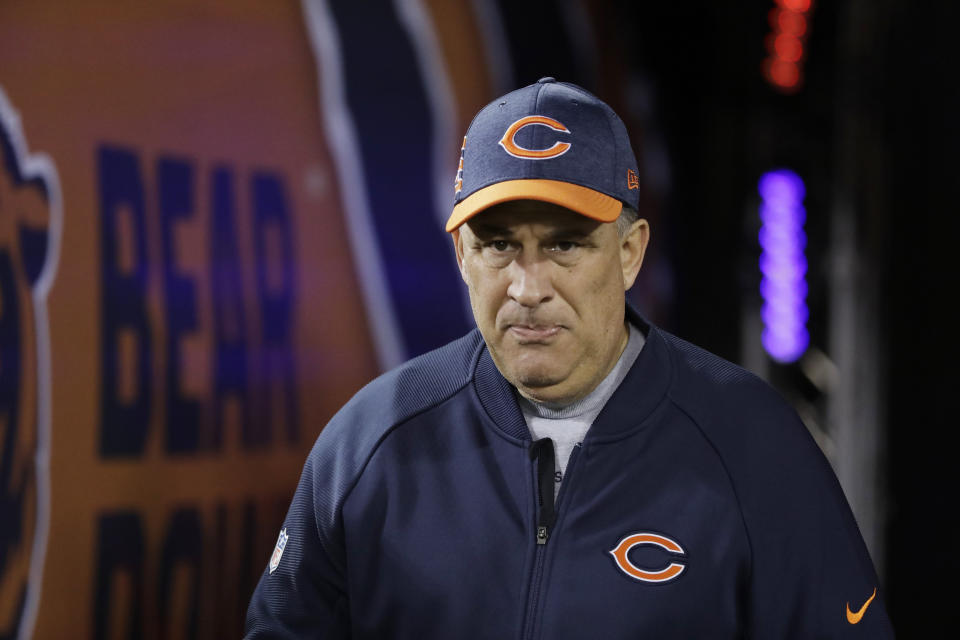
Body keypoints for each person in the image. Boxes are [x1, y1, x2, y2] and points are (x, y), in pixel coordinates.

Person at [244, 78, 894, 638]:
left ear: (630, 252)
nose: (528, 288)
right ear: (463, 254)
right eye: (499, 245)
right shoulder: (372, 443)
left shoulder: (752, 443)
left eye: (565, 247)